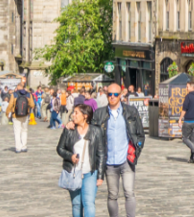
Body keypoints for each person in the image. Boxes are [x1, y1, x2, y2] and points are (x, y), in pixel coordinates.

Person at [91, 83, 142, 217]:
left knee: (129, 192)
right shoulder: (99, 113)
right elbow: (91, 134)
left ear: (121, 96)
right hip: (109, 161)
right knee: (112, 195)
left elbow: (140, 134)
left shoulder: (131, 111)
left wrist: (137, 150)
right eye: (110, 94)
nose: (112, 97)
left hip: (126, 160)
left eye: (115, 95)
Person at [58, 104, 104, 217]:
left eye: (76, 113)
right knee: (77, 204)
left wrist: (100, 176)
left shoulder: (96, 131)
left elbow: (101, 154)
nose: (73, 115)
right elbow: (60, 148)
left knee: (89, 203)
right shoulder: (69, 130)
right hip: (73, 173)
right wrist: (70, 156)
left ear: (85, 116)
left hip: (90, 173)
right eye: (73, 112)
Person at [11, 84, 33, 153]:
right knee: (24, 131)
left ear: (17, 88)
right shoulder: (28, 94)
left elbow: (10, 104)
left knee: (17, 131)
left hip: (16, 115)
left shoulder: (14, 94)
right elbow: (32, 105)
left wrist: (7, 112)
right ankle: (24, 147)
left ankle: (18, 148)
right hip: (25, 115)